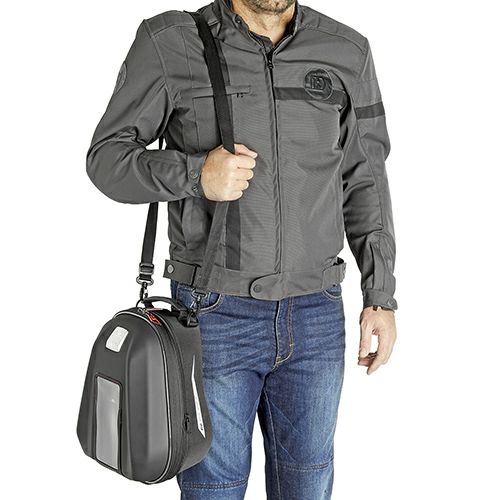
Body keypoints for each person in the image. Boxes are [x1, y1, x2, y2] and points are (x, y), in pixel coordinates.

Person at [86, 0, 398, 497]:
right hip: (213, 316)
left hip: (316, 315)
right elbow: (106, 160)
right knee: (214, 488)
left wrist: (379, 295)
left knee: (308, 484)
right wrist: (195, 175)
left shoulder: (346, 51)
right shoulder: (171, 41)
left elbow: (365, 179)